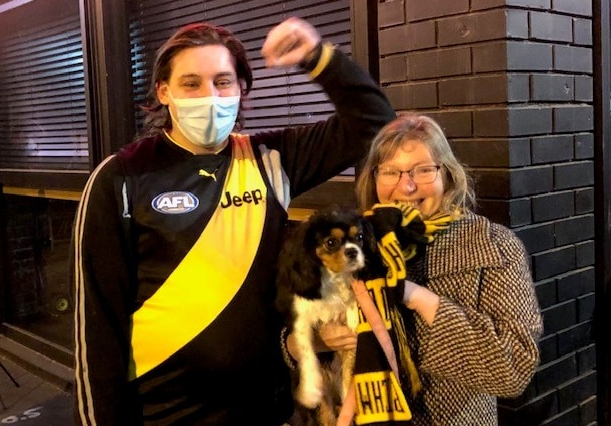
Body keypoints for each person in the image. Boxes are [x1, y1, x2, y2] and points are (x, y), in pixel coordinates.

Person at [71, 16, 395, 425]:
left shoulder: (271, 159)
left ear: (241, 90)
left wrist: (318, 57)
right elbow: (97, 331)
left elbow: (375, 123)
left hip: (268, 409)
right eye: (192, 83)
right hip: (164, 416)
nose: (209, 95)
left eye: (223, 82)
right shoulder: (120, 177)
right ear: (164, 91)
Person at [352, 112, 544, 425]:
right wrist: (321, 338)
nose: (407, 186)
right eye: (390, 172)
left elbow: (513, 369)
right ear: (374, 179)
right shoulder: (353, 242)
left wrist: (415, 297)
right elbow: (294, 339)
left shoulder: (492, 244)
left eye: (423, 170)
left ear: (448, 175)